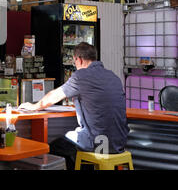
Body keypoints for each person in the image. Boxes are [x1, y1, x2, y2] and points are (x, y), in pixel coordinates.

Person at [18, 42, 130, 170]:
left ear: (79, 59)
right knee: (76, 148)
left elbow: (54, 96)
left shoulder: (80, 76)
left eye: (74, 62)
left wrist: (34, 107)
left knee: (53, 148)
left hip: (98, 142)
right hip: (119, 142)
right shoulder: (113, 76)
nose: (75, 65)